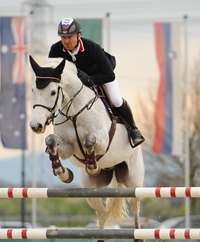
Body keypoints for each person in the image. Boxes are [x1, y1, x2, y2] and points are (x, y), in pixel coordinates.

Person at [48, 17, 145, 147]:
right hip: (75, 84)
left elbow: (109, 75)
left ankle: (133, 129)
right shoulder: (55, 50)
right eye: (63, 37)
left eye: (70, 37)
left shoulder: (92, 48)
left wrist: (89, 80)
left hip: (101, 75)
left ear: (79, 35)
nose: (66, 41)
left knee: (116, 99)